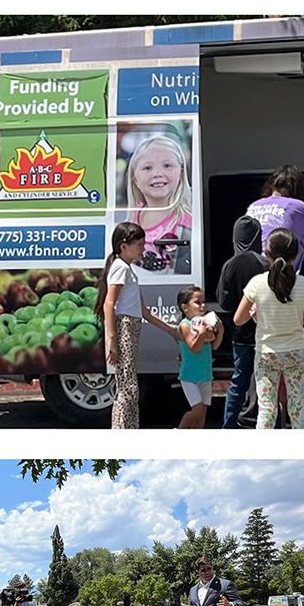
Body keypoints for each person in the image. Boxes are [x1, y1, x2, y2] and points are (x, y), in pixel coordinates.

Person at [234, 228, 304, 429]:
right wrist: (298, 321)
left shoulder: (256, 284)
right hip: (295, 353)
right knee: (298, 408)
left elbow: (238, 319)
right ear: (296, 254)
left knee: (266, 409)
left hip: (267, 353)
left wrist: (257, 316)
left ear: (267, 253)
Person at [93, 222, 179, 429]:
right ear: (124, 246)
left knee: (129, 383)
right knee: (127, 385)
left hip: (130, 325)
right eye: (139, 244)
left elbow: (144, 312)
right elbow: (109, 303)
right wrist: (112, 339)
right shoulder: (121, 268)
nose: (143, 248)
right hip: (124, 326)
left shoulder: (127, 270)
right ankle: (122, 429)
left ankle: (129, 427)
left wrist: (169, 330)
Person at [217, 215, 269, 429]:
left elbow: (223, 301)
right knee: (264, 382)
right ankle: (262, 423)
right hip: (264, 333)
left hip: (240, 333)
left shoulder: (230, 264)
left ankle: (228, 426)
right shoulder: (264, 263)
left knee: (238, 380)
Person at [125, 135, 193, 274]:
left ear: (180, 173)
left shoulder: (187, 224)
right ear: (134, 179)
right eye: (148, 168)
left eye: (167, 166)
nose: (157, 174)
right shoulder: (131, 218)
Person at [245, 165, 304, 271]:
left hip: (251, 268)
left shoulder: (253, 206)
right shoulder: (298, 206)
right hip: (281, 272)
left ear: (271, 185)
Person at [176, 286, 223, 429]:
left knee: (202, 412)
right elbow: (194, 348)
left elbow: (214, 345)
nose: (202, 306)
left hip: (205, 375)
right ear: (185, 307)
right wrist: (202, 335)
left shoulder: (205, 322)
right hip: (189, 376)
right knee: (196, 409)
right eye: (197, 302)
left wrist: (220, 331)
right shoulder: (185, 325)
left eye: (204, 302)